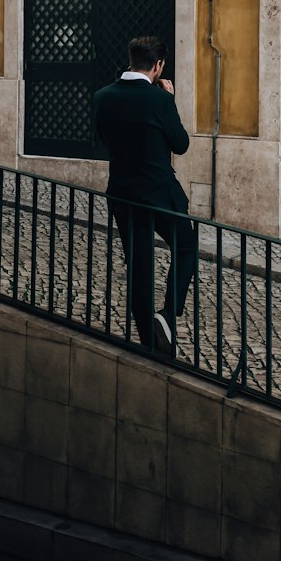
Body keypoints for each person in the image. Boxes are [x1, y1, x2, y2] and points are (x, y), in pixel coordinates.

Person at [93, 35, 198, 356]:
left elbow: (101, 140)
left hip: (123, 192)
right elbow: (180, 144)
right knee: (186, 247)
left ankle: (149, 341)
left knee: (139, 263)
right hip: (160, 193)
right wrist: (169, 100)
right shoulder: (160, 100)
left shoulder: (102, 97)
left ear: (131, 59)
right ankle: (167, 314)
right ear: (158, 65)